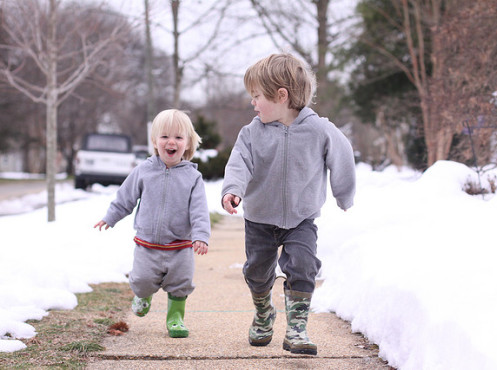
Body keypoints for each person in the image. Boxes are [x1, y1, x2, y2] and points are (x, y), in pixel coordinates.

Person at [221, 53, 356, 355]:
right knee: (257, 272)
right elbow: (238, 164)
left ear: (281, 95)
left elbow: (343, 155)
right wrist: (233, 189)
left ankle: (297, 330)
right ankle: (264, 312)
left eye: (256, 96)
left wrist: (343, 193)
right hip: (259, 219)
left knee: (303, 267)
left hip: (301, 219)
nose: (252, 103)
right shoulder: (252, 133)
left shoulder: (319, 130)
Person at [94, 109, 210, 338]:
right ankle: (143, 296)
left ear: (187, 143)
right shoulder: (143, 171)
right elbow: (125, 197)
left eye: (178, 137)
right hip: (147, 245)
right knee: (142, 280)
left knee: (181, 283)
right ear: (155, 141)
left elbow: (199, 211)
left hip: (180, 246)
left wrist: (201, 236)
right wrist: (111, 216)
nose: (171, 142)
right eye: (165, 136)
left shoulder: (193, 178)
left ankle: (175, 318)